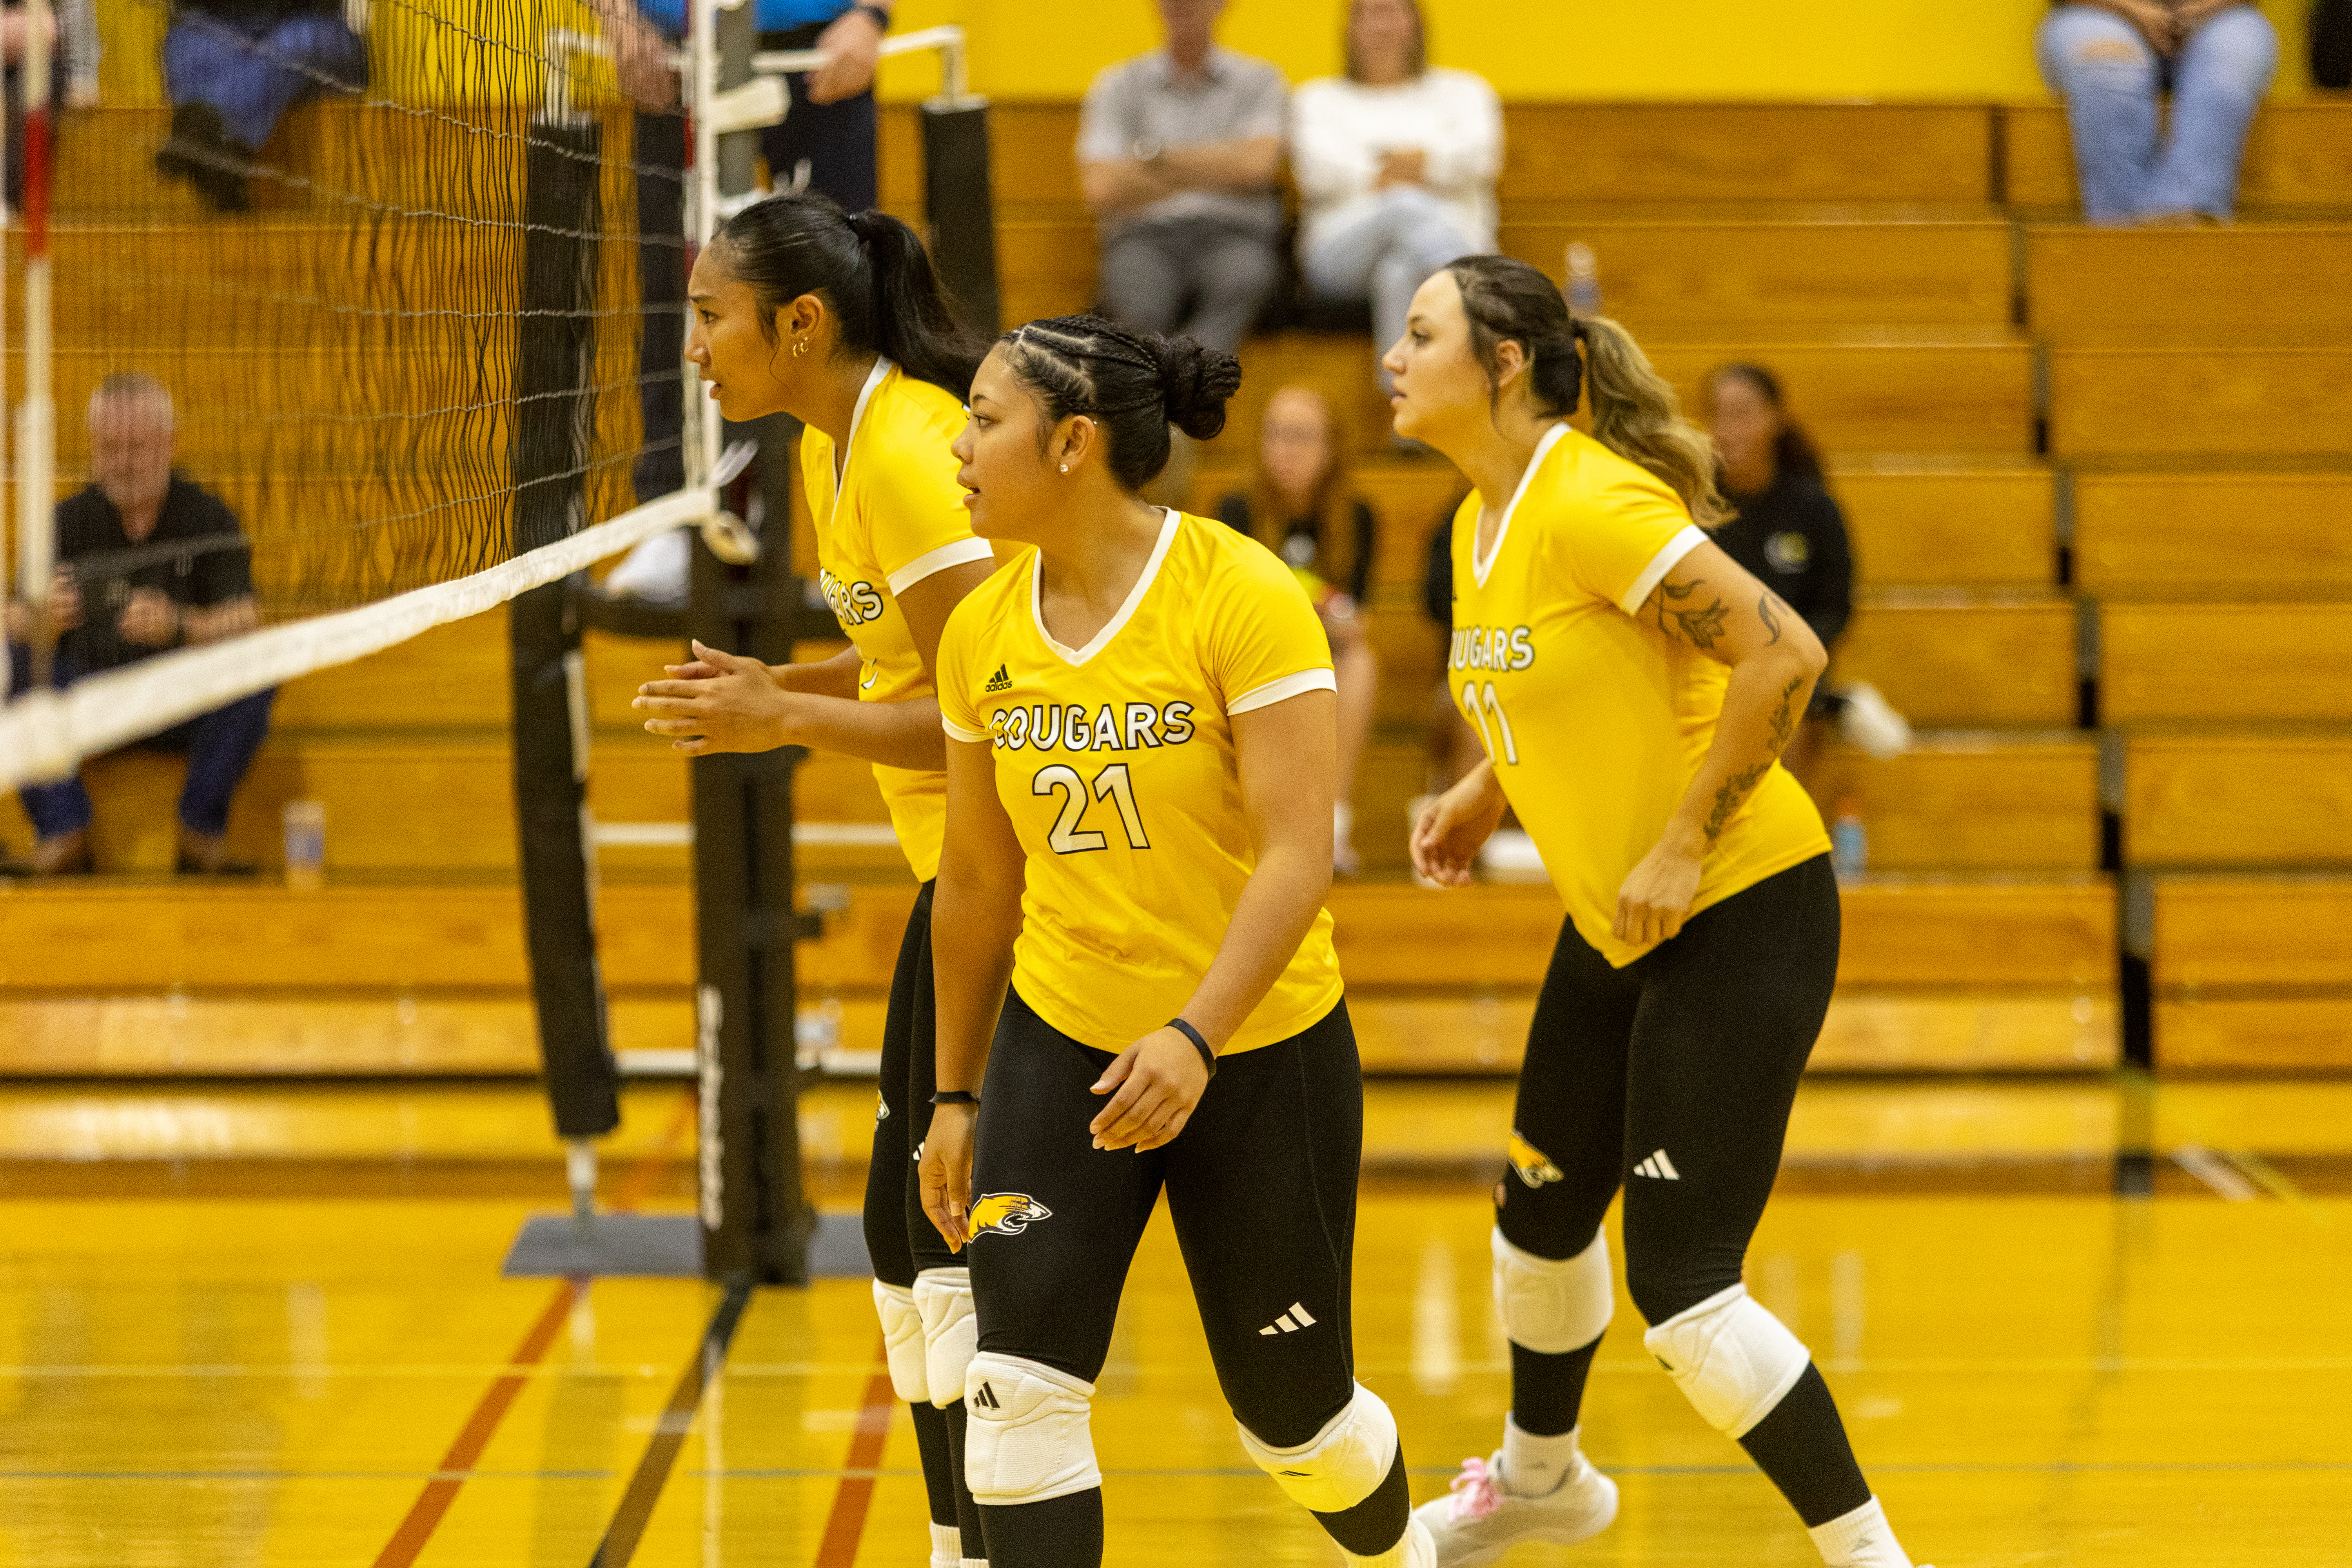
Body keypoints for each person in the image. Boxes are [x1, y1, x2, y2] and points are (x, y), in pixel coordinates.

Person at [1395, 259, 1931, 1568]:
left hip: (1738, 901)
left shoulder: (1591, 497)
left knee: (1684, 1293)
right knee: (1535, 1226)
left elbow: (1784, 653)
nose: (1393, 358)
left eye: (1420, 335)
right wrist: (1484, 788)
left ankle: (1875, 1560)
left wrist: (1687, 839)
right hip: (1614, 922)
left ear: (1505, 362)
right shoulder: (1481, 519)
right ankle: (1542, 1482)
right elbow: (1574, 673)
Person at [917, 317, 1434, 1568]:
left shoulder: (1240, 594)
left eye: (985, 419)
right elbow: (979, 877)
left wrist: (1195, 1035)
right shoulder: (981, 631)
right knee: (1016, 1404)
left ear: (1075, 442)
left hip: (1255, 1051)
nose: (959, 447)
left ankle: (1400, 1546)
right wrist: (952, 1089)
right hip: (1065, 1042)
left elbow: (1297, 855)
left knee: (1295, 1425)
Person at [629, 193, 998, 1568]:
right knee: (901, 1244)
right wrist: (787, 684)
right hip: (951, 875)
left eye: (709, 319)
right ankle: (955, 1536)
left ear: (801, 324)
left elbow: (996, 713)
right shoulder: (830, 453)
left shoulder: (906, 450)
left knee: (940, 1241)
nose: (695, 350)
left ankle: (977, 1538)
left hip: (1019, 885)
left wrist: (786, 718)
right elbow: (909, 666)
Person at [3, 375, 272, 878]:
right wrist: (36, 619)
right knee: (10, 660)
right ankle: (64, 833)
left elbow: (247, 617)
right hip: (84, 703)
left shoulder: (208, 517)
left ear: (170, 444)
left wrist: (182, 625)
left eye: (137, 447)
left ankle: (200, 834)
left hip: (178, 700)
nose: (123, 461)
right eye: (110, 448)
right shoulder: (65, 521)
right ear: (93, 449)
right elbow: (9, 617)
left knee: (260, 668)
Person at [1292, 0, 1498, 391]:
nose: (1381, 26)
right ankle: (1478, 290)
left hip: (1433, 252)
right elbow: (1317, 173)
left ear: (1416, 23)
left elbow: (1482, 158)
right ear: (1349, 27)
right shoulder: (1317, 99)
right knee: (1404, 205)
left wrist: (1373, 170)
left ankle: (1404, 417)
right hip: (1339, 255)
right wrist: (1428, 165)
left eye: (1392, 11)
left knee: (1398, 272)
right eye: (1369, 13)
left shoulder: (1464, 92)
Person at [1217, 385, 1378, 872]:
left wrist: (1339, 619)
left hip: (1324, 651)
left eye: (1302, 436)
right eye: (1277, 435)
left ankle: (1334, 823)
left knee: (1362, 663)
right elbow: (1224, 607)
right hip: (1252, 655)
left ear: (1331, 447)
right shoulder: (1236, 509)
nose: (1287, 449)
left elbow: (1361, 613)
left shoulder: (1356, 516)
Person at [1076, 0, 1287, 356]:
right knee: (1139, 304)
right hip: (1142, 239)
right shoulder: (1117, 86)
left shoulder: (1260, 82)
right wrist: (1221, 167)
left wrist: (1152, 159)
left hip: (1235, 236)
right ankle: (1180, 391)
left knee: (1245, 278)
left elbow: (1257, 167)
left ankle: (1186, 385)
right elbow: (1101, 187)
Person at [1703, 365, 1853, 787]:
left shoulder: (1813, 508)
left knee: (1790, 717)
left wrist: (1781, 657)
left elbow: (1834, 607)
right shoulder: (1695, 506)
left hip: (1789, 675)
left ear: (1775, 419)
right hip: (1710, 675)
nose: (1730, 429)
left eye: (1744, 414)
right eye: (1720, 415)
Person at [2036, 1, 2278, 224]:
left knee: (2226, 74)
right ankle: (2124, 236)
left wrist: (2200, 9)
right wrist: (2132, 8)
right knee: (2107, 73)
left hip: (2224, 12)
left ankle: (2178, 225)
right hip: (2098, 9)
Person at [154, 0, 368, 213]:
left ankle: (210, 133)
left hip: (315, 29)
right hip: (218, 26)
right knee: (189, 46)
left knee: (292, 45)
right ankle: (218, 147)